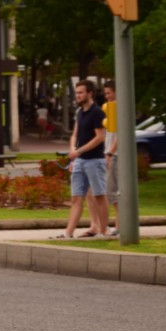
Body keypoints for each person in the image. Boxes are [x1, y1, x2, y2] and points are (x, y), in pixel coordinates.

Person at [56, 78, 109, 239]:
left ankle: (103, 231)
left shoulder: (97, 112)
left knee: (99, 195)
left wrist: (79, 151)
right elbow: (75, 135)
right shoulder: (80, 113)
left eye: (81, 92)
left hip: (94, 160)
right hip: (79, 161)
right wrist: (73, 150)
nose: (77, 95)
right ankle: (68, 233)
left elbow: (100, 137)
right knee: (75, 197)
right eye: (76, 92)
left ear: (89, 93)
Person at [101, 78, 119, 237]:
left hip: (115, 156)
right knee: (111, 192)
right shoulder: (110, 109)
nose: (106, 96)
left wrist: (109, 153)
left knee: (113, 191)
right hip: (110, 153)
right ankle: (117, 225)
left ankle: (118, 226)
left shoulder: (118, 109)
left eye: (108, 93)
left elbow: (120, 136)